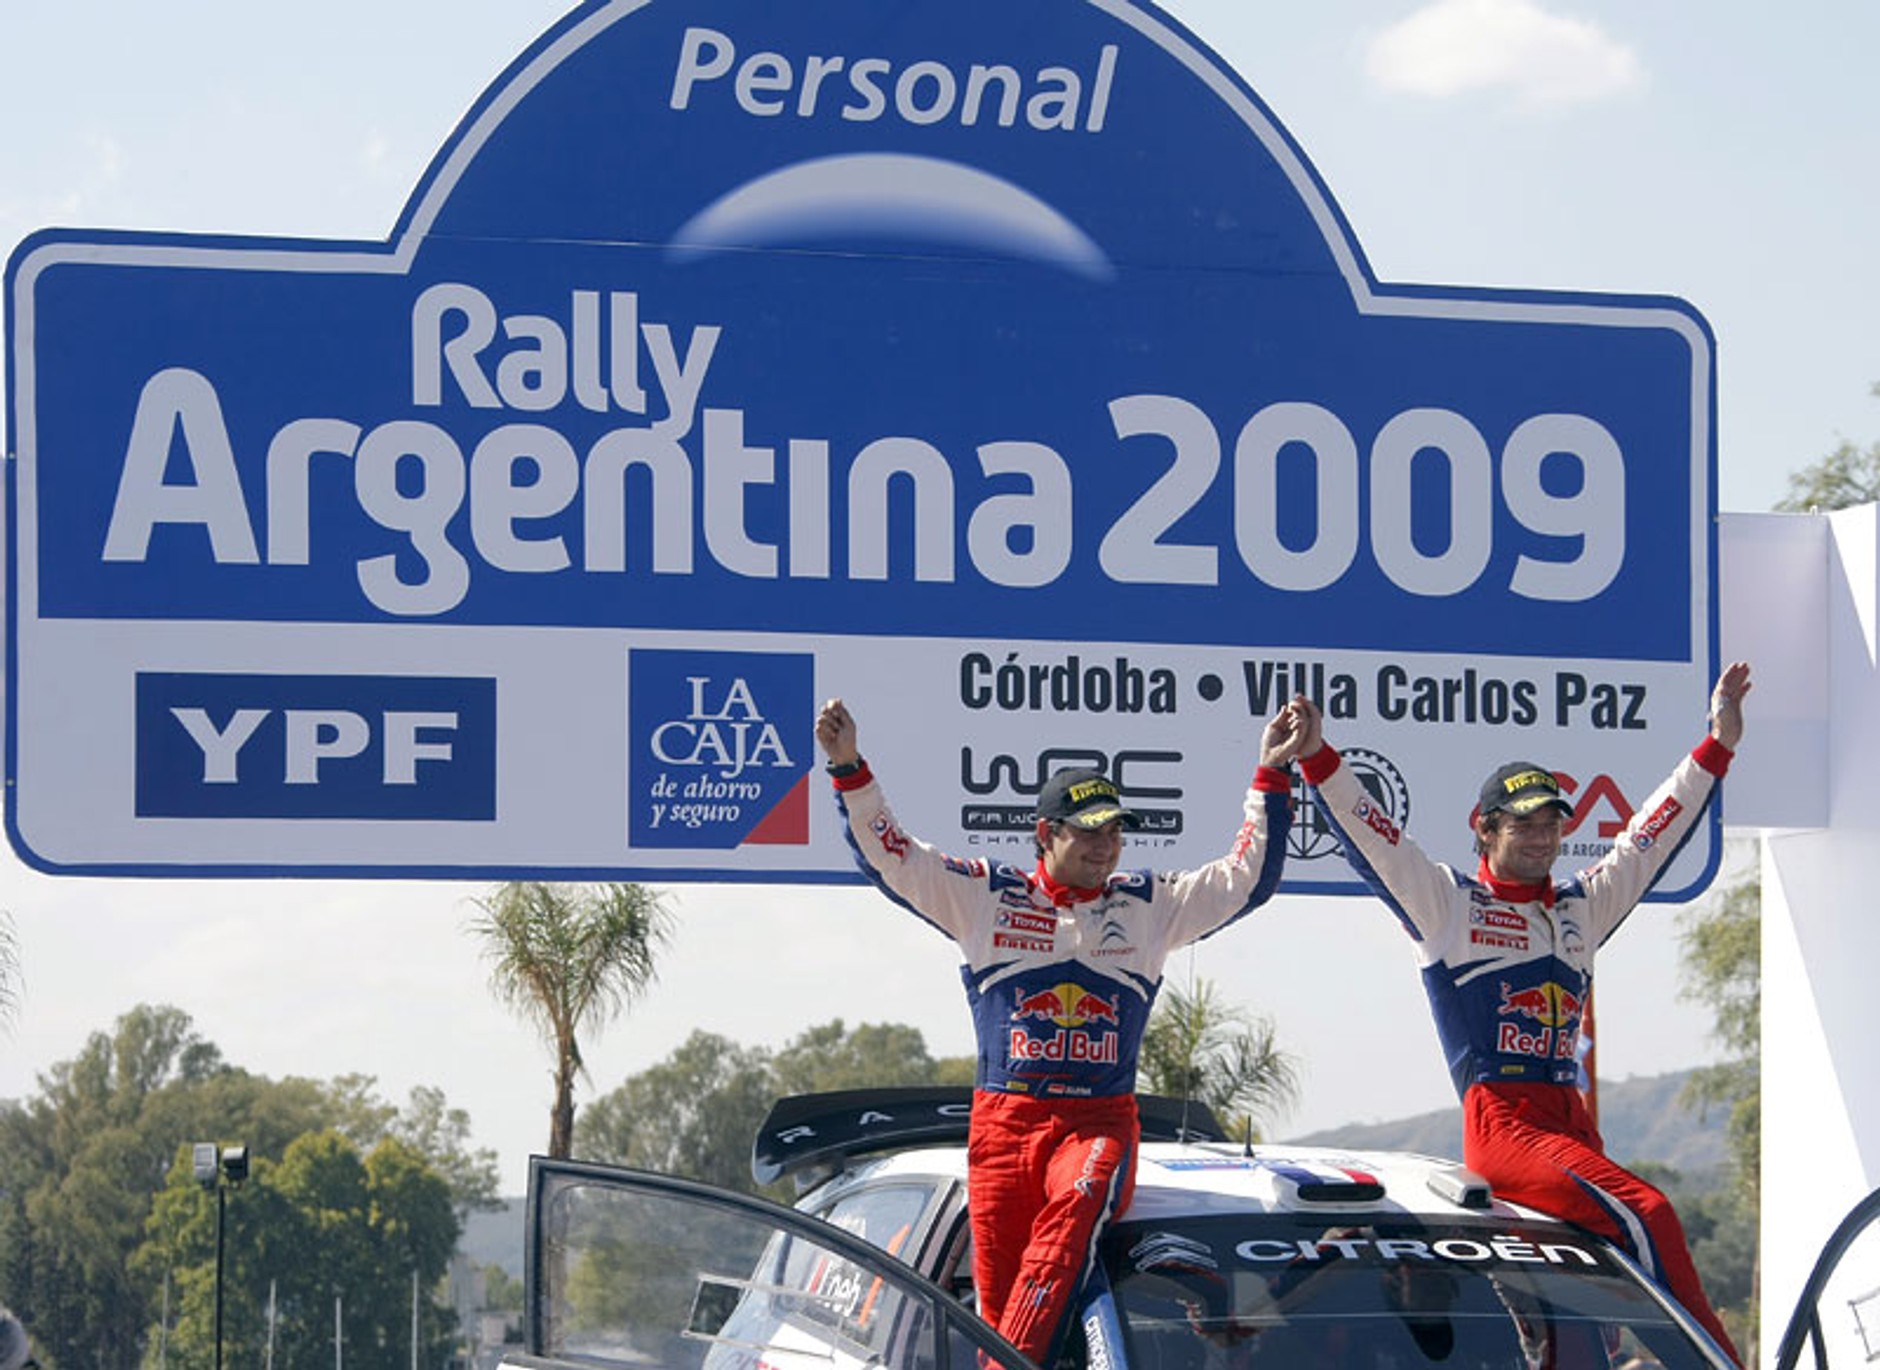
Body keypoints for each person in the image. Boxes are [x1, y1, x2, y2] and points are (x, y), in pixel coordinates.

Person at [815, 696, 1311, 1365]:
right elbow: (895, 858)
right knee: (1002, 1301)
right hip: (1004, 1127)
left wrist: (1270, 775)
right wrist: (849, 768)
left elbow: (1245, 880)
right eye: (1088, 831)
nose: (1105, 844)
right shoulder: (987, 896)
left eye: (1114, 831)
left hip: (1098, 1122)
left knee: (1072, 1218)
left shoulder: (1148, 907)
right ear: (1045, 833)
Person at [1291, 662, 1751, 1366]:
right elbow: (1377, 843)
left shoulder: (1579, 906)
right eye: (1523, 824)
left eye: (1551, 823)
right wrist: (1321, 760)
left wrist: (1715, 746)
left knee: (1583, 1327)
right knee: (1649, 1214)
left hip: (1570, 1118)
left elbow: (1651, 837)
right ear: (1485, 828)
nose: (1541, 837)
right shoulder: (1450, 907)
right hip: (1503, 1123)